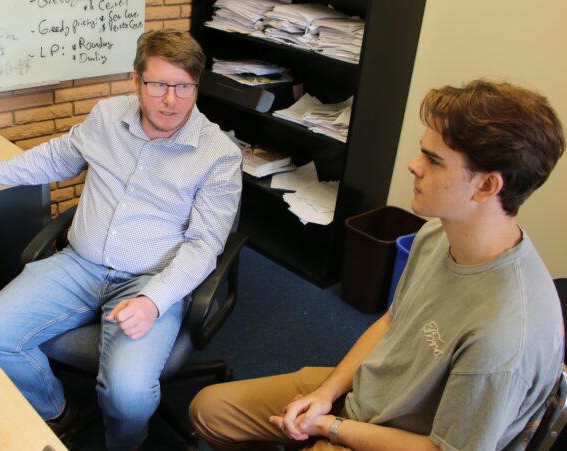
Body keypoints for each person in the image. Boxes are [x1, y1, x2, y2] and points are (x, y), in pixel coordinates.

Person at [189, 79, 565, 451]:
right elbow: (391, 320)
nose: (413, 166)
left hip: (402, 440)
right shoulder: (436, 235)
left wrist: (332, 428)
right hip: (364, 400)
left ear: (486, 187)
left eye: (433, 161)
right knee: (209, 411)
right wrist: (326, 394)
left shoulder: (505, 337)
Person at [0, 30, 242, 450]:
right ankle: (59, 412)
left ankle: (123, 444)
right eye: (158, 84)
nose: (171, 100)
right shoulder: (106, 117)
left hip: (149, 282)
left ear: (195, 86)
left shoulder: (218, 155)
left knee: (130, 397)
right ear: (136, 81)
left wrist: (154, 301)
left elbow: (205, 245)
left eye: (183, 87)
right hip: (79, 264)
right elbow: (55, 157)